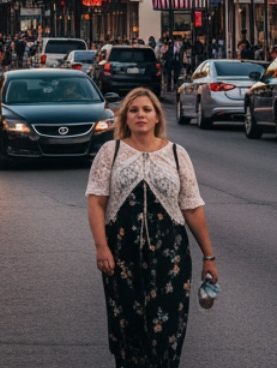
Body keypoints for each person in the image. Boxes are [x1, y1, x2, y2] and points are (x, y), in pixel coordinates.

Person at [86, 87, 216, 368]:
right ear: (125, 117)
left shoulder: (177, 154)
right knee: (128, 327)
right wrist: (101, 247)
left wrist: (209, 257)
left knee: (168, 330)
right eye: (134, 110)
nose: (140, 115)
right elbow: (96, 202)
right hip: (122, 255)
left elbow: (192, 208)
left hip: (171, 256)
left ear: (157, 116)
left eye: (147, 110)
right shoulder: (111, 152)